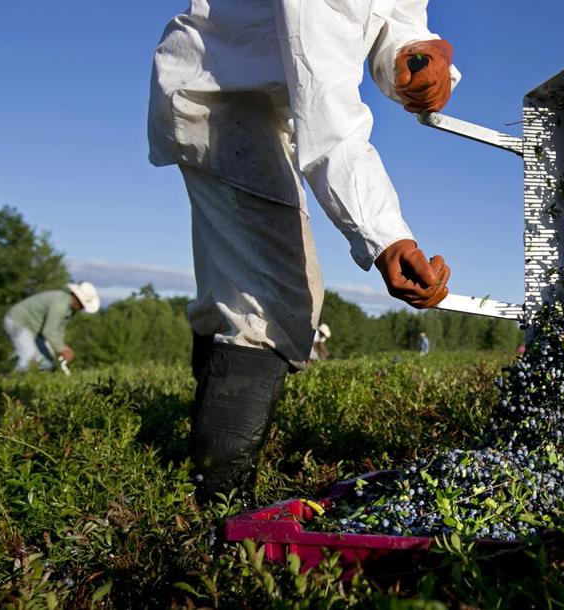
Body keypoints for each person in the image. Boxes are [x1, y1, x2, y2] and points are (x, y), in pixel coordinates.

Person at [148, 1, 456, 499]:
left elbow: (391, 18)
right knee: (276, 299)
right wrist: (384, 236)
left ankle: (197, 473)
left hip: (246, 98)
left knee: (232, 296)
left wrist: (409, 54)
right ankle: (216, 502)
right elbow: (326, 105)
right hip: (223, 99)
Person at [4, 282, 100, 373]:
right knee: (28, 354)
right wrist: (62, 349)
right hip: (18, 321)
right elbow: (49, 331)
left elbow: (59, 329)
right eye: (82, 305)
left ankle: (37, 381)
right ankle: (14, 382)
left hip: (34, 329)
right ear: (77, 299)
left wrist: (62, 347)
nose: (82, 308)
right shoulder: (60, 304)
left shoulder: (69, 309)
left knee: (46, 360)